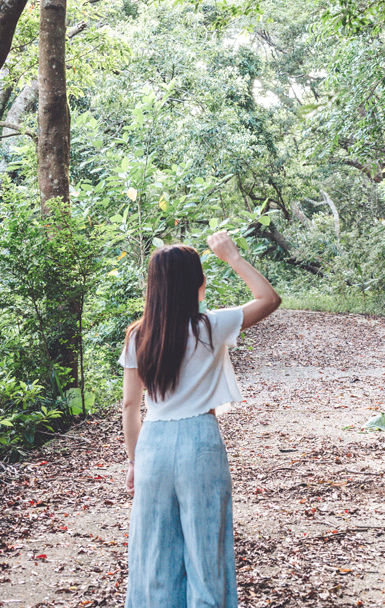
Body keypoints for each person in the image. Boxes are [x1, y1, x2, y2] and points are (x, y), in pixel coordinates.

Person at [120, 230, 280, 608]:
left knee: (154, 554)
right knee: (208, 551)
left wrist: (133, 461)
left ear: (153, 286)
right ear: (198, 282)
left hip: (154, 445)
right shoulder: (211, 326)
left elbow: (130, 407)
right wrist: (233, 257)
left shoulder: (138, 336)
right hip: (200, 442)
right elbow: (269, 299)